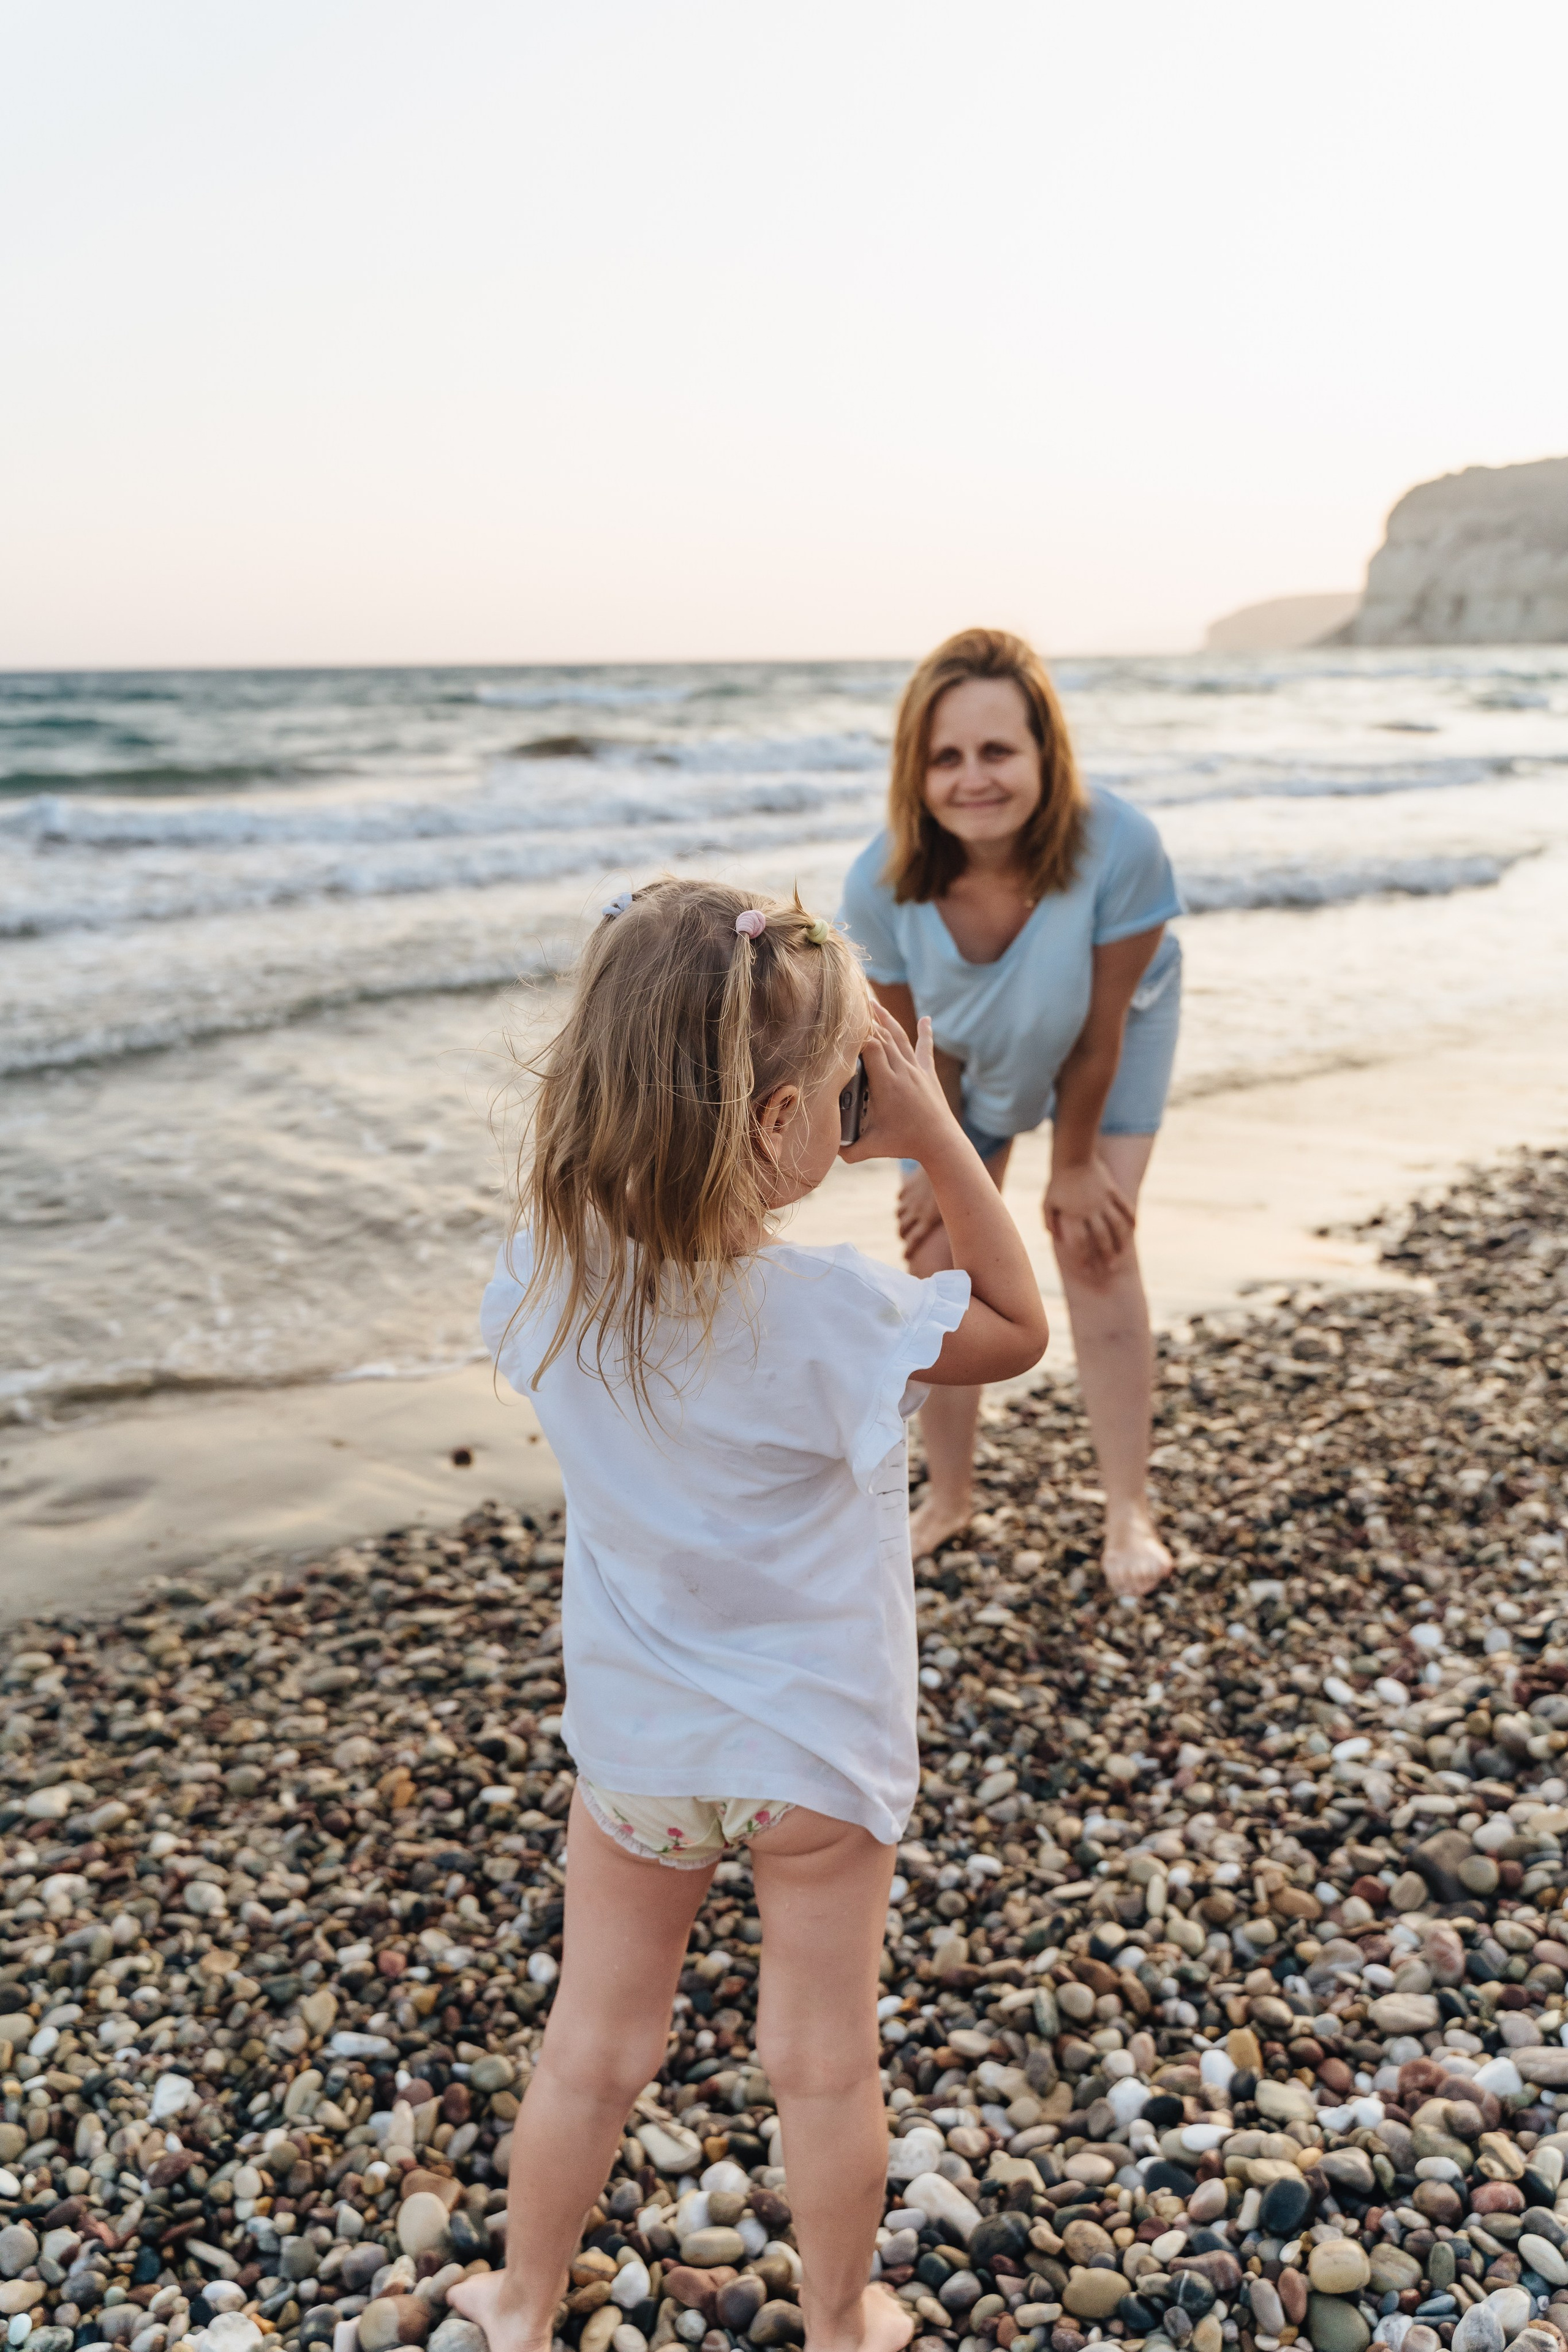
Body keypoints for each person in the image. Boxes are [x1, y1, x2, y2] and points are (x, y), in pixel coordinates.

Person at [452, 880, 1046, 2352]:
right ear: (774, 1127)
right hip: (813, 1755)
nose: (861, 1102)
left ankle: (525, 2300)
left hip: (643, 1746)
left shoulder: (550, 1280)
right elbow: (1016, 1329)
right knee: (820, 2064)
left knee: (594, 2044)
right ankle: (839, 2322)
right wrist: (939, 1142)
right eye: (844, 1089)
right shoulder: (831, 1314)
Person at [837, 627, 1182, 1600]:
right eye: (946, 757)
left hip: (1110, 1034)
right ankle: (948, 1496)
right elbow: (905, 1058)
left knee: (1092, 1238)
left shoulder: (1121, 847)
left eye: (998, 752)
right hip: (948, 1062)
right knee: (940, 1266)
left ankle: (1128, 1505)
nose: (973, 778)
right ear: (917, 770)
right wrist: (951, 1179)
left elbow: (1096, 1032)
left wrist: (1072, 1165)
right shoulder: (878, 883)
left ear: (1044, 754)